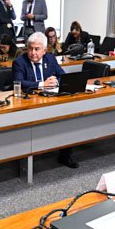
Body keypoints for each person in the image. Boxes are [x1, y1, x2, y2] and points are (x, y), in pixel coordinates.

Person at [12, 32, 77, 169]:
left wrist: (56, 81)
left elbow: (62, 75)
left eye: (37, 49)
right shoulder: (20, 62)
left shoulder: (50, 59)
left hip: (51, 99)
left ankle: (65, 155)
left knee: (67, 117)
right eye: (30, 48)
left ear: (44, 50)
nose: (33, 52)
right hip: (30, 102)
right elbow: (19, 82)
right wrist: (42, 84)